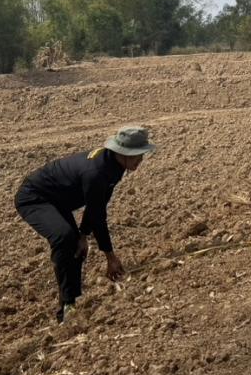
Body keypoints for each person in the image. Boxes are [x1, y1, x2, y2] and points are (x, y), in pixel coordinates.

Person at [15, 125, 156, 322]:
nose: (140, 160)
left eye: (142, 154)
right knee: (64, 238)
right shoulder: (96, 172)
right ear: (122, 152)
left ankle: (71, 301)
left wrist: (83, 236)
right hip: (35, 197)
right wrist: (110, 257)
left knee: (76, 245)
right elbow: (98, 216)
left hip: (59, 200)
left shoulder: (114, 166)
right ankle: (66, 306)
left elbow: (97, 206)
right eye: (136, 155)